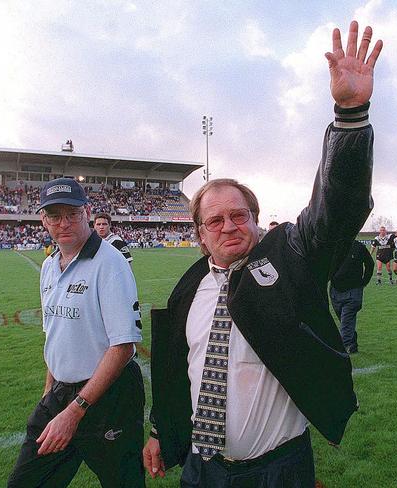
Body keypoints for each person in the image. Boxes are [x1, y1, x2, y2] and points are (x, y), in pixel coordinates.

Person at [143, 21, 382, 487]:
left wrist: (350, 114)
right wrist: (158, 429)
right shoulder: (188, 290)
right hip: (201, 468)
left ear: (255, 220)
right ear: (200, 235)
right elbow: (175, 373)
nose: (229, 226)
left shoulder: (291, 259)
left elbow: (337, 209)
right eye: (215, 220)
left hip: (280, 469)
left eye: (239, 215)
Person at [7, 178, 145, 487]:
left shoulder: (110, 263)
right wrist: (49, 392)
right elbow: (55, 335)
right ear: (43, 220)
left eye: (72, 213)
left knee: (122, 482)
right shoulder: (48, 266)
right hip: (60, 394)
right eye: (54, 216)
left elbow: (123, 346)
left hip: (110, 398)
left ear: (87, 212)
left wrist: (76, 411)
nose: (64, 223)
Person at [329, 240, 374, 354]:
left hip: (353, 291)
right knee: (345, 322)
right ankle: (353, 345)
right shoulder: (333, 246)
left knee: (346, 322)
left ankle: (340, 353)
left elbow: (370, 263)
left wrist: (364, 282)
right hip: (335, 291)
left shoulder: (358, 247)